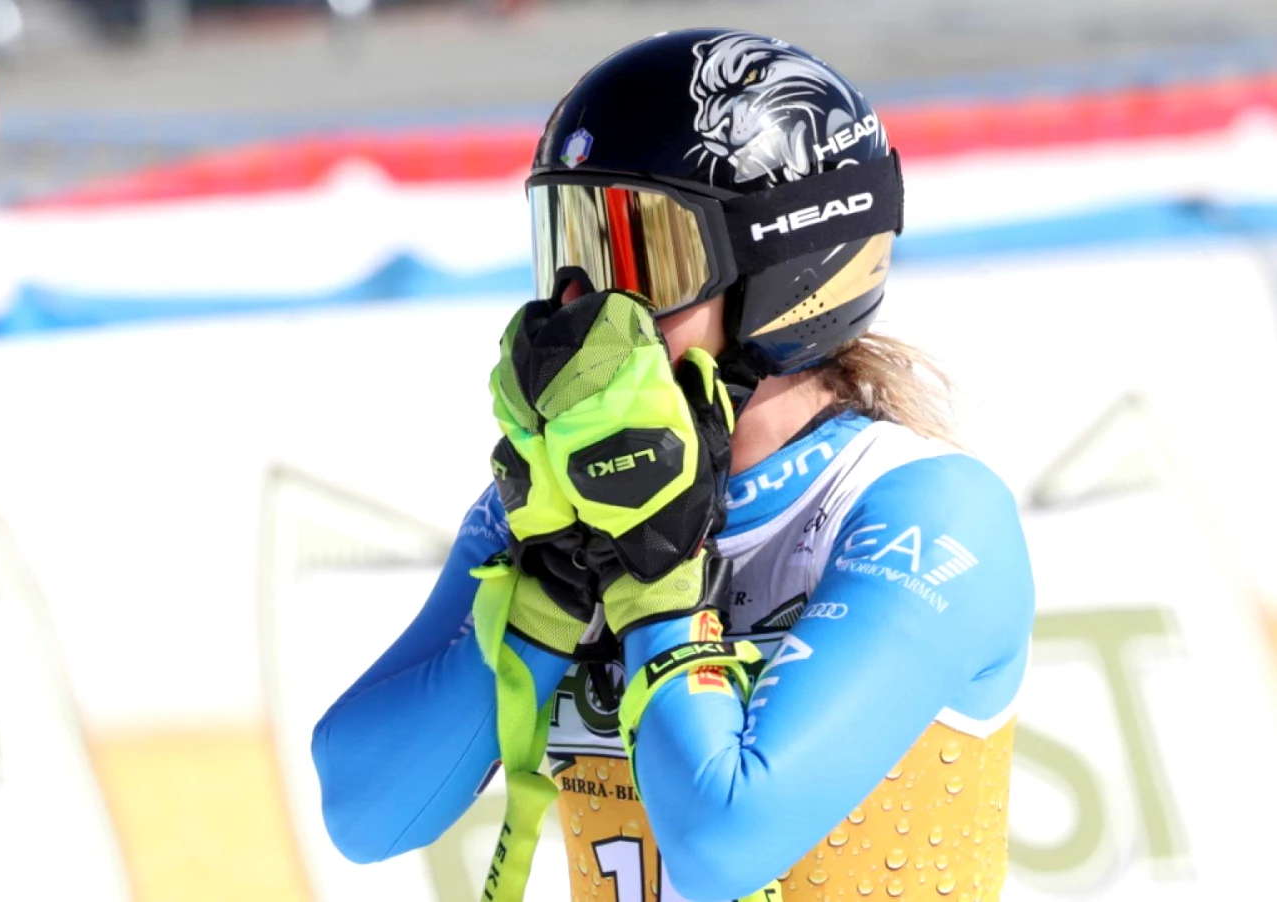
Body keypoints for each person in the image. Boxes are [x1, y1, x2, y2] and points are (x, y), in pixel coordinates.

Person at [312, 28, 1034, 902]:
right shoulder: (562, 499)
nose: (579, 305)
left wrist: (657, 581)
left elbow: (724, 843)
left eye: (638, 255)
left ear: (782, 268)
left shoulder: (927, 511)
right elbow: (368, 811)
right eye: (568, 247)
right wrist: (546, 598)